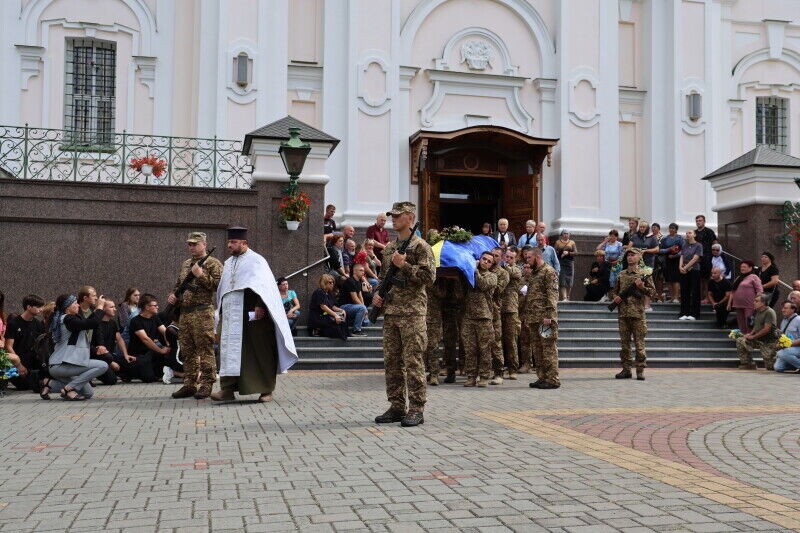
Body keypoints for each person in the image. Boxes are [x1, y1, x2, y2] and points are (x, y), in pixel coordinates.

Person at [212, 226, 298, 403]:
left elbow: (264, 286)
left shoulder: (257, 260)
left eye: (233, 242)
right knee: (229, 351)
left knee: (260, 351)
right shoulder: (228, 263)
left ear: (244, 243)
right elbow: (224, 288)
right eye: (229, 242)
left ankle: (266, 389)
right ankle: (228, 389)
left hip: (253, 313)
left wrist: (260, 305)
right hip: (231, 315)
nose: (230, 245)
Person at [372, 202, 435, 427]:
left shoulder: (421, 247)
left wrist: (406, 265)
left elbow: (429, 278)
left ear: (410, 217)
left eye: (398, 216)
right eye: (392, 216)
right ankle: (397, 405)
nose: (393, 219)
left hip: (412, 314)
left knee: (413, 362)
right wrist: (377, 295)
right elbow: (383, 277)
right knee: (392, 362)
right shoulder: (389, 248)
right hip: (391, 312)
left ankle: (416, 408)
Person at [166, 232, 223, 400]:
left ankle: (206, 383)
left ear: (204, 244)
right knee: (187, 350)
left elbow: (218, 286)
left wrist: (201, 275)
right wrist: (173, 296)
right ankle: (189, 384)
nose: (191, 247)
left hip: (202, 312)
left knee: (205, 349)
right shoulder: (185, 264)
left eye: (195, 244)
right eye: (189, 244)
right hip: (185, 313)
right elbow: (179, 285)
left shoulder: (213, 263)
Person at [45, 293, 109, 401]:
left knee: (88, 393)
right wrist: (99, 307)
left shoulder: (69, 319)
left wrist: (96, 310)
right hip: (60, 365)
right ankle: (68, 388)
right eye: (75, 303)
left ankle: (48, 384)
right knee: (102, 365)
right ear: (67, 307)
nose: (78, 305)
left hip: (64, 365)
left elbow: (88, 322)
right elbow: (92, 323)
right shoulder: (68, 319)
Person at [611, 248, 658, 380]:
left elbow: (653, 293)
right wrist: (615, 298)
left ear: (639, 258)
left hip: (638, 314)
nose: (630, 257)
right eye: (628, 256)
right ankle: (626, 369)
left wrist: (642, 287)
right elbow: (614, 292)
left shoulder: (645, 274)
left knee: (639, 344)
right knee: (624, 344)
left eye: (633, 255)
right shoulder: (621, 274)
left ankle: (640, 370)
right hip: (623, 314)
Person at [520, 247, 560, 389]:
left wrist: (549, 316)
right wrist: (526, 316)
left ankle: (552, 379)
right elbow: (528, 296)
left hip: (545, 319)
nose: (527, 260)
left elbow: (552, 295)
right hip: (534, 319)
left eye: (529, 257)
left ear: (537, 257)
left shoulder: (549, 272)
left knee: (548, 349)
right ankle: (542, 377)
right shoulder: (533, 274)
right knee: (537, 349)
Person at [460, 252, 497, 388]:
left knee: (484, 349)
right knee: (470, 349)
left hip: (484, 317)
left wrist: (474, 270)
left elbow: (483, 285)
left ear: (492, 264)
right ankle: (471, 376)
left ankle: (484, 376)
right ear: (479, 259)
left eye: (489, 261)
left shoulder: (492, 277)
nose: (485, 262)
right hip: (468, 317)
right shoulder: (469, 274)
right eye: (484, 259)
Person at [4, 294, 46, 391]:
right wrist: (19, 365)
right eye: (38, 307)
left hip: (33, 363)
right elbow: (8, 346)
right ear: (29, 307)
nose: (41, 309)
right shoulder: (14, 323)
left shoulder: (38, 324)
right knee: (23, 386)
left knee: (35, 386)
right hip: (17, 362)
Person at [124, 294, 169, 383]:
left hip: (151, 353)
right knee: (149, 378)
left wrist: (168, 343)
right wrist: (160, 351)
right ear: (147, 307)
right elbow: (145, 339)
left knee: (157, 374)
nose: (158, 307)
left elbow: (165, 331)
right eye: (155, 305)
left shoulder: (155, 318)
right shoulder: (136, 321)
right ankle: (128, 372)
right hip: (138, 354)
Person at [735, 293, 777, 370]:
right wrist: (750, 334)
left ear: (763, 303)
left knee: (770, 367)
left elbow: (766, 329)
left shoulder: (769, 312)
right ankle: (748, 363)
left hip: (768, 342)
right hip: (758, 339)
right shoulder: (758, 311)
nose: (754, 302)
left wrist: (753, 336)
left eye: (756, 301)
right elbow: (756, 326)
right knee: (740, 340)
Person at [94, 300, 128, 386]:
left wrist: (126, 355)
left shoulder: (113, 323)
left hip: (111, 356)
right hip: (100, 358)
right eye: (111, 307)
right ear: (104, 309)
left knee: (132, 365)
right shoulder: (96, 324)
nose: (115, 309)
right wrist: (111, 362)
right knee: (111, 380)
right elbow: (97, 348)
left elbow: (119, 339)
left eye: (114, 307)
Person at [500, 247, 522, 379]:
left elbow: (512, 272)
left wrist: (504, 266)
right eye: (506, 256)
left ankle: (513, 369)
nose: (508, 259)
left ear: (516, 259)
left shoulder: (517, 270)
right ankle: (499, 368)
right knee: (498, 341)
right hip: (498, 308)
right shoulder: (499, 268)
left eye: (511, 258)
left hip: (511, 309)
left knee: (511, 340)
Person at [488, 248, 509, 385]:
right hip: (480, 311)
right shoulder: (483, 269)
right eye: (492, 255)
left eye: (496, 256)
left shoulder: (503, 274)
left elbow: (496, 290)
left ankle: (499, 373)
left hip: (494, 312)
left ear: (501, 258)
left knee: (496, 342)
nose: (493, 258)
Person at [308, 274, 349, 340]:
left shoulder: (328, 293)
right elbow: (323, 306)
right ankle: (317, 329)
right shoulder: (319, 292)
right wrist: (335, 315)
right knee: (337, 329)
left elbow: (332, 306)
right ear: (324, 283)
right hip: (318, 317)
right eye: (330, 282)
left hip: (325, 316)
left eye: (333, 282)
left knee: (342, 321)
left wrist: (341, 310)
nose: (332, 284)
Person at [441, 276, 466, 383]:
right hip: (447, 308)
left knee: (464, 339)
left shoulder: (461, 273)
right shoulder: (443, 276)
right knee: (449, 341)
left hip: (462, 308)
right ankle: (450, 371)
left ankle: (465, 366)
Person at [728, 260, 763, 334]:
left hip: (749, 304)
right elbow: (733, 291)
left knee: (749, 323)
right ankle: (743, 339)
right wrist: (729, 303)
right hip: (738, 304)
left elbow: (760, 291)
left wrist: (757, 303)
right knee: (741, 324)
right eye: (741, 267)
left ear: (750, 268)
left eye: (744, 267)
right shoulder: (739, 277)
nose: (742, 268)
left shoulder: (754, 277)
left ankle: (749, 340)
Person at [424, 277, 445, 386]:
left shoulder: (438, 280)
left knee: (433, 347)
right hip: (419, 317)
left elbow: (442, 294)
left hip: (433, 318)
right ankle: (424, 372)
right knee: (420, 347)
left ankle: (434, 374)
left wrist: (431, 283)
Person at [678, 230, 703, 321]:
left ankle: (694, 313)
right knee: (684, 291)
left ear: (694, 235)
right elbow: (681, 256)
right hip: (684, 271)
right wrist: (680, 267)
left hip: (694, 270)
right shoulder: (684, 245)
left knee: (695, 292)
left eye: (690, 233)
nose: (687, 234)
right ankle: (684, 312)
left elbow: (695, 258)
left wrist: (686, 267)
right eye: (687, 233)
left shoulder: (698, 245)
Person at [338, 263, 369, 336]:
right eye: (361, 270)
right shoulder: (350, 281)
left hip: (352, 307)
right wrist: (363, 308)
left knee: (366, 322)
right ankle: (356, 330)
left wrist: (365, 310)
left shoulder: (358, 282)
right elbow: (355, 299)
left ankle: (349, 322)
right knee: (362, 308)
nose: (363, 272)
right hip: (343, 307)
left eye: (363, 271)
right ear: (355, 271)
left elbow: (360, 296)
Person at [694, 214, 718, 299]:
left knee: (706, 279)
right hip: (696, 259)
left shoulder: (709, 231)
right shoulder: (694, 233)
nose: (698, 222)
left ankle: (708, 298)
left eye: (700, 220)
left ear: (704, 221)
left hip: (707, 258)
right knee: (698, 279)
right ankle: (700, 297)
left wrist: (716, 252)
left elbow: (714, 242)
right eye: (697, 221)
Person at [659, 223, 683, 303]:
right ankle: (672, 297)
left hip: (676, 261)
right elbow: (660, 250)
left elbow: (683, 250)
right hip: (667, 260)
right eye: (670, 228)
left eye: (673, 228)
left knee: (675, 279)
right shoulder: (665, 239)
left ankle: (676, 297)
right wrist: (669, 249)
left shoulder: (680, 238)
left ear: (676, 229)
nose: (671, 230)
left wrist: (675, 255)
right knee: (668, 279)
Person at [775, 301, 800, 373]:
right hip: (789, 349)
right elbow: (783, 336)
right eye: (782, 308)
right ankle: (797, 365)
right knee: (778, 368)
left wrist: (789, 344)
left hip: (797, 348)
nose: (783, 310)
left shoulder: (799, 320)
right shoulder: (784, 321)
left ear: (793, 309)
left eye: (785, 308)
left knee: (781, 353)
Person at [554, 229, 577, 301]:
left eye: (567, 233)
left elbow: (576, 252)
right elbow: (554, 252)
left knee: (570, 280)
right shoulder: (557, 242)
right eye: (564, 233)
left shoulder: (572, 242)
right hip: (561, 262)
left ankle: (568, 296)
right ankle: (564, 297)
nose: (566, 235)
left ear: (569, 234)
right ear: (562, 234)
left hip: (570, 263)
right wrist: (560, 253)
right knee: (562, 279)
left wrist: (568, 253)